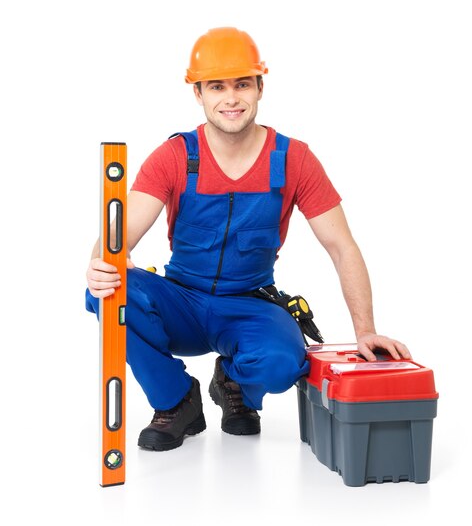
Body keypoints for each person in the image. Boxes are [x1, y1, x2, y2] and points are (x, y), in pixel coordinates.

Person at [86, 27, 411, 452]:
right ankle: (176, 401)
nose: (231, 98)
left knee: (281, 364)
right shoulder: (176, 157)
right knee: (108, 293)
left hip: (249, 304)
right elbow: (114, 240)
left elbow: (342, 246)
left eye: (242, 84)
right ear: (198, 94)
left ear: (260, 86)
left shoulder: (293, 159)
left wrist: (365, 331)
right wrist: (104, 264)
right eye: (216, 86)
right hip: (181, 301)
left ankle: (234, 382)